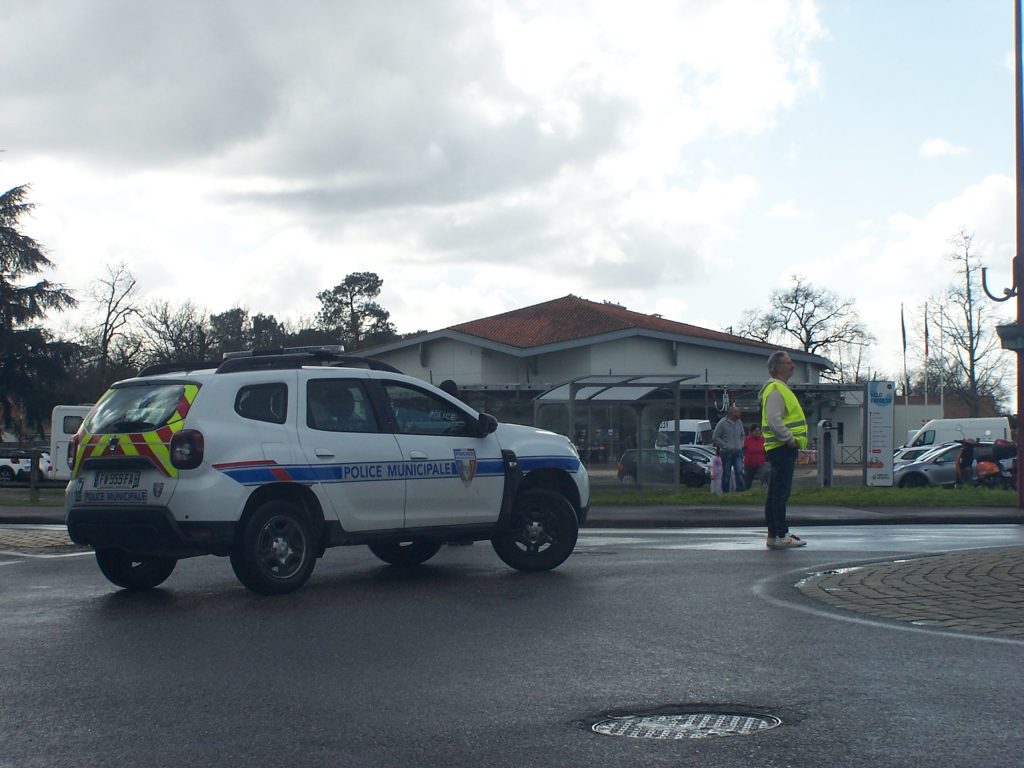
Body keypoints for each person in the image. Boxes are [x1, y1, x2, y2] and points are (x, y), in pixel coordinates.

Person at [759, 350, 808, 549]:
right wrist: (789, 439)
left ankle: (775, 534)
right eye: (789, 363)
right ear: (778, 367)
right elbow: (773, 420)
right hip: (781, 447)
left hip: (778, 447)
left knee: (775, 492)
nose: (793, 366)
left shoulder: (776, 389)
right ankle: (780, 534)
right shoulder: (777, 389)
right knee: (780, 492)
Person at [712, 406, 745, 492]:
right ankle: (725, 492)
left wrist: (741, 444)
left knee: (739, 471)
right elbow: (715, 437)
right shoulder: (722, 423)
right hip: (727, 452)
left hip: (738, 451)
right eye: (737, 412)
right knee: (726, 473)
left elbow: (742, 434)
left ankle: (740, 490)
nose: (739, 414)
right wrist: (724, 445)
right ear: (731, 413)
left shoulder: (739, 422)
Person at [743, 424, 768, 489]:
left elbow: (766, 451)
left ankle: (764, 490)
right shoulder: (746, 440)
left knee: (764, 476)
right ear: (751, 432)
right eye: (755, 431)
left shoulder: (762, 440)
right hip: (749, 464)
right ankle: (745, 492)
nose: (757, 432)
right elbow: (743, 450)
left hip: (760, 463)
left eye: (759, 431)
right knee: (747, 482)